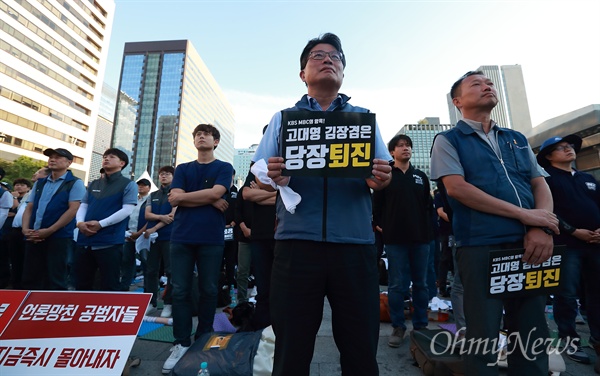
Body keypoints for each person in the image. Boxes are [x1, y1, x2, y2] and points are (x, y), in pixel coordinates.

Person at [253, 33, 392, 376]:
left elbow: (383, 172)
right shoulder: (284, 118)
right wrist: (273, 175)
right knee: (291, 347)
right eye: (318, 55)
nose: (328, 59)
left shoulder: (363, 119)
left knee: (360, 347)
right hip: (297, 245)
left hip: (355, 246)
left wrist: (381, 177)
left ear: (343, 72)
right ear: (303, 73)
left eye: (335, 57)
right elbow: (259, 170)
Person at [430, 70, 559, 375]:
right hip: (480, 247)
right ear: (457, 101)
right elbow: (457, 189)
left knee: (531, 332)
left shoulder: (515, 138)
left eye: (489, 82)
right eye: (477, 84)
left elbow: (539, 183)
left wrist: (540, 227)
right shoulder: (448, 140)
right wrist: (524, 215)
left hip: (532, 245)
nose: (487, 86)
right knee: (483, 335)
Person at [161, 123, 233, 375]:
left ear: (215, 141)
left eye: (207, 134)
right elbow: (174, 197)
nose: (201, 136)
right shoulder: (182, 168)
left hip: (211, 237)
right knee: (179, 290)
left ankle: (204, 338)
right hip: (181, 236)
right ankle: (181, 342)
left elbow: (216, 191)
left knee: (209, 289)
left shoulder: (224, 167)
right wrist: (211, 199)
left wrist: (188, 197)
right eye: (197, 134)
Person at [536, 134, 600, 371]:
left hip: (595, 244)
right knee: (566, 295)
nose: (568, 150)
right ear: (548, 156)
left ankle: (597, 339)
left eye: (569, 146)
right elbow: (546, 210)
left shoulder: (588, 178)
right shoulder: (546, 179)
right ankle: (569, 340)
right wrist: (574, 231)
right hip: (566, 245)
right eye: (561, 148)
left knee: (596, 294)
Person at [373, 134, 432, 347]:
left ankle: (421, 326)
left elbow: (428, 206)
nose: (405, 148)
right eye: (400, 146)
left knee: (421, 284)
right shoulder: (386, 176)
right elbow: (376, 207)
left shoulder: (420, 176)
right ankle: (398, 326)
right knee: (397, 284)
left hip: (421, 239)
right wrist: (383, 227)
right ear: (391, 152)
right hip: (395, 240)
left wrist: (428, 231)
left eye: (408, 145)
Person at [21, 148, 85, 290]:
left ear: (69, 162)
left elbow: (73, 209)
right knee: (31, 276)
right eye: (51, 157)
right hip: (34, 235)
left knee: (55, 277)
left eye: (57, 157)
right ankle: (31, 309)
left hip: (59, 237)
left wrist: (50, 230)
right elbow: (29, 207)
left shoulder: (74, 183)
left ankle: (54, 308)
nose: (52, 159)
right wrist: (25, 230)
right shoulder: (40, 183)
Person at [74, 148, 137, 291]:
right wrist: (79, 223)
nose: (106, 159)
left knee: (109, 284)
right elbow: (83, 205)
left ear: (122, 163)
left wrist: (101, 224)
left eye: (111, 157)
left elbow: (127, 210)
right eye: (104, 157)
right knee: (82, 283)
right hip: (85, 240)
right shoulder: (94, 183)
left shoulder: (128, 184)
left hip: (109, 242)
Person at [242, 168, 276, 330]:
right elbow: (247, 195)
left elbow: (296, 197)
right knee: (263, 289)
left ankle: (281, 330)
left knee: (285, 288)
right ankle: (262, 331)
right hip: (260, 235)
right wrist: (277, 194)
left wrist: (260, 194)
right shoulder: (257, 168)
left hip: (284, 236)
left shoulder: (292, 163)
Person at [143, 166, 176, 318]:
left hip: (169, 236)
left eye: (167, 174)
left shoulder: (176, 193)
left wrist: (155, 226)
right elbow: (147, 215)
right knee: (150, 270)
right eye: (161, 174)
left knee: (170, 271)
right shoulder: (153, 194)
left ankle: (168, 303)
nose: (163, 176)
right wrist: (160, 218)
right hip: (152, 238)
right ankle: (150, 302)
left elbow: (172, 216)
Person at [119, 178, 151, 291]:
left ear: (149, 188)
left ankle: (148, 288)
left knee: (145, 262)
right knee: (126, 261)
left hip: (143, 236)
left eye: (144, 185)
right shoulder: (133, 200)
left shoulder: (150, 200)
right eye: (139, 185)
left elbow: (149, 220)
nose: (140, 187)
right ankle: (124, 286)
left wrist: (138, 233)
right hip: (129, 234)